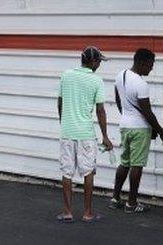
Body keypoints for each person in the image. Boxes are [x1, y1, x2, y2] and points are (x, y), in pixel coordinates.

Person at [57, 46, 113, 223]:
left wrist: (64, 122)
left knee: (67, 173)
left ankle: (67, 212)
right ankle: (88, 213)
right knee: (88, 172)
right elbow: (100, 111)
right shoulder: (96, 81)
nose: (99, 65)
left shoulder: (66, 75)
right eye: (99, 62)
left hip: (67, 132)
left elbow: (60, 102)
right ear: (93, 61)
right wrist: (105, 136)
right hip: (86, 134)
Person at [110, 48, 163, 213]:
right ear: (142, 62)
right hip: (139, 129)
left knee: (125, 162)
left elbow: (117, 99)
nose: (151, 68)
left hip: (125, 126)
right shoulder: (141, 84)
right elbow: (147, 112)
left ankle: (115, 198)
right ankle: (132, 203)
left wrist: (126, 115)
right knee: (137, 165)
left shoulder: (120, 75)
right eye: (150, 65)